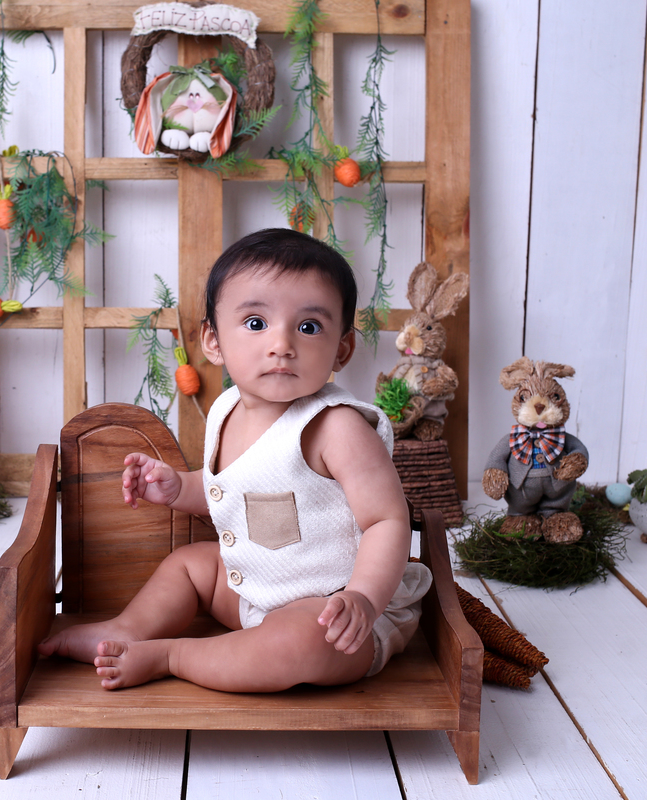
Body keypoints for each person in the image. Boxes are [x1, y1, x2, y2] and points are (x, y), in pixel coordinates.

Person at [38, 228, 432, 691]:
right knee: (190, 564)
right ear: (214, 341)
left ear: (341, 350)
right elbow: (233, 490)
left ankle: (171, 655)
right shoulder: (226, 410)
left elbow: (387, 519)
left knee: (295, 643)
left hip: (337, 614)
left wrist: (363, 597)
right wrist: (179, 487)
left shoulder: (337, 427)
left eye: (309, 327)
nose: (282, 344)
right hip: (255, 591)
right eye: (256, 323)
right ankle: (125, 631)